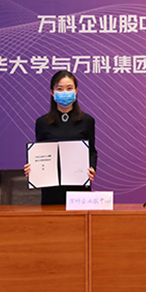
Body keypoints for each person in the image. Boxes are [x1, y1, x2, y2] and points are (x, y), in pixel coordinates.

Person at [24, 70, 98, 204]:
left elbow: (92, 151)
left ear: (76, 91)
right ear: (52, 92)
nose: (65, 92)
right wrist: (33, 168)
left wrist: (92, 168)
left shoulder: (87, 121)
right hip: (51, 190)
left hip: (79, 188)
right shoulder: (42, 123)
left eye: (69, 88)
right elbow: (39, 153)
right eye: (59, 89)